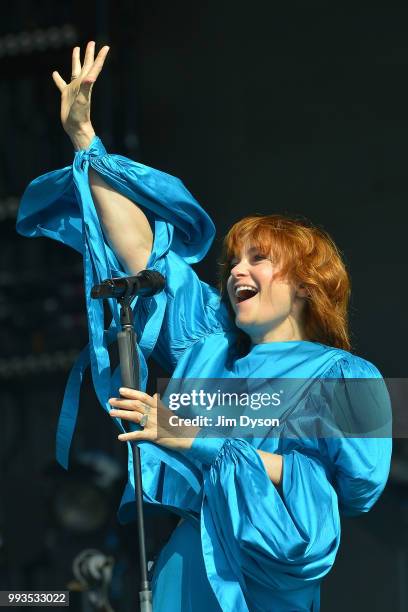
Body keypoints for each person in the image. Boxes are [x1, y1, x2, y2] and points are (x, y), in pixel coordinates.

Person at [17, 42, 392, 611]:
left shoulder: (344, 375)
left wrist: (198, 440)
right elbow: (143, 253)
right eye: (234, 260)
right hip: (187, 561)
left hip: (264, 571)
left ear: (308, 283)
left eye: (259, 259)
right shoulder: (208, 341)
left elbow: (357, 486)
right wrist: (85, 139)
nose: (237, 268)